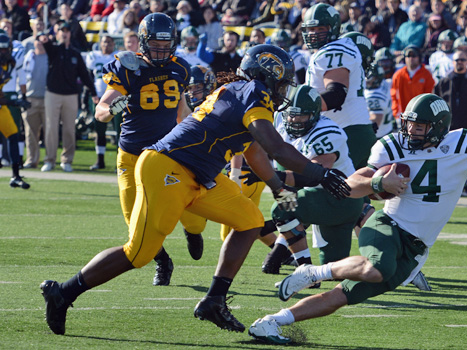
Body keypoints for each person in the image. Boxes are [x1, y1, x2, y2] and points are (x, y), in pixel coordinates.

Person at [39, 44, 351, 336]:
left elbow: (254, 149)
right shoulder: (253, 93)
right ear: (267, 75)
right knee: (138, 253)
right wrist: (319, 174)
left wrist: (278, 186)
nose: (283, 89)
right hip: (169, 168)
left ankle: (214, 300)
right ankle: (63, 293)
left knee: (250, 221)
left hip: (199, 174)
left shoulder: (242, 92)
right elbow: (276, 148)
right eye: (281, 82)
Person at [247, 93, 467, 344]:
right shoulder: (392, 145)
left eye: (419, 125)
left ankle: (272, 321)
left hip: (416, 248)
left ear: (437, 128)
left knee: (343, 296)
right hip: (387, 226)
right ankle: (312, 272)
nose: (411, 130)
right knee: (375, 269)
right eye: (409, 123)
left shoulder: (463, 144)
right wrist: (377, 185)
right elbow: (350, 185)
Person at [90, 13, 205, 286]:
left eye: (166, 46)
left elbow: (182, 112)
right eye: (156, 45)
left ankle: (193, 231)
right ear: (143, 42)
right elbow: (100, 111)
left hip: (167, 156)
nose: (162, 51)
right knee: (134, 223)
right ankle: (163, 261)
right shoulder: (127, 67)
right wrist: (110, 110)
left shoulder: (181, 68)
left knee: (192, 214)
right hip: (131, 154)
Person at [256, 85, 363, 274]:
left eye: (301, 116)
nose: (294, 120)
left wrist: (271, 176)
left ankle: (304, 269)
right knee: (331, 269)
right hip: (309, 195)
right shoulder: (280, 119)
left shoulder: (327, 133)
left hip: (339, 199)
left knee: (334, 269)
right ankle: (304, 267)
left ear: (314, 115)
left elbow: (312, 177)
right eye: (291, 114)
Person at [301, 3, 376, 172]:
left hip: (344, 133)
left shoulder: (333, 51)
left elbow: (336, 95)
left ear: (333, 28)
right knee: (355, 194)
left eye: (320, 29)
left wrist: (300, 108)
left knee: (319, 188)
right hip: (353, 130)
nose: (314, 34)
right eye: (311, 29)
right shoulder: (335, 50)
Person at [37, 20, 96, 173]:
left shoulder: (75, 53)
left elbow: (84, 75)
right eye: (61, 31)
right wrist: (44, 38)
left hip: (70, 95)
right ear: (57, 33)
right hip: (53, 94)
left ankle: (67, 160)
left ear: (70, 33)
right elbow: (46, 43)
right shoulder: (54, 50)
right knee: (51, 128)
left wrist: (94, 93)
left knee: (69, 129)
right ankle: (50, 160)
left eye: (66, 31)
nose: (64, 33)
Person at [435, 50, 467, 197]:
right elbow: (437, 103)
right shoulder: (445, 81)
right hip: (449, 127)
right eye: (457, 60)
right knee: (450, 158)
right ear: (453, 62)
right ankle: (456, 187)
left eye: (463, 60)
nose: (460, 62)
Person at [0, 32, 29, 188]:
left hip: (1, 107)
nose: (4, 52)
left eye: (6, 49)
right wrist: (13, 101)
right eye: (1, 49)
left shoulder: (9, 64)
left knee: (12, 135)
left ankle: (15, 176)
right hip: (3, 104)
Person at [85, 35, 117, 170]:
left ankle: (119, 162)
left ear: (114, 44)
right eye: (104, 42)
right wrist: (92, 93)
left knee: (120, 130)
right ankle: (100, 160)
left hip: (117, 98)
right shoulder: (93, 56)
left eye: (109, 42)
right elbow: (89, 76)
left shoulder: (118, 57)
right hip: (98, 98)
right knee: (99, 130)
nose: (106, 45)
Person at [21, 33, 47, 170]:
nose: (40, 42)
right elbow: (22, 77)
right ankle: (32, 160)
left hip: (47, 98)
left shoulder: (50, 57)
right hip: (30, 98)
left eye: (43, 40)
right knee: (30, 132)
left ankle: (49, 160)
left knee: (49, 132)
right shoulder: (28, 57)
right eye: (38, 40)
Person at [391, 46, 435, 120]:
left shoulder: (427, 75)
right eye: (408, 56)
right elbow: (394, 96)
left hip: (420, 116)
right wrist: (396, 114)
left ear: (419, 58)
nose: (411, 59)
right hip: (403, 116)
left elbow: (429, 96)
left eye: (414, 56)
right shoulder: (398, 75)